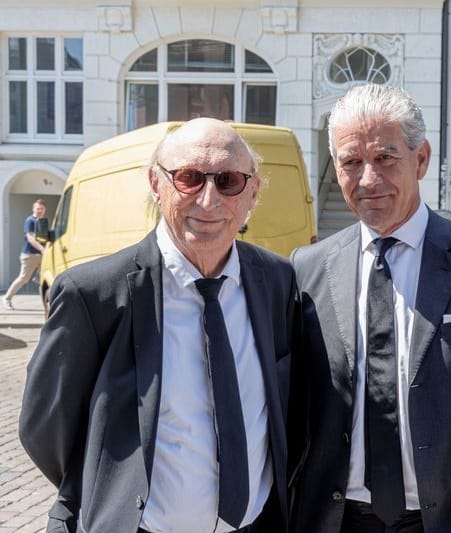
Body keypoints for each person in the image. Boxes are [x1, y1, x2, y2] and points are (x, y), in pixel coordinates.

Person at [289, 83, 451, 533]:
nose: (368, 179)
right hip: (339, 521)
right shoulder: (307, 269)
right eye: (351, 163)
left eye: (386, 158)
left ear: (421, 158)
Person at [19, 118, 296, 533]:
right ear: (155, 183)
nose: (208, 200)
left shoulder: (276, 281)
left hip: (257, 524)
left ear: (253, 192)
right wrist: (109, 485)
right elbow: (45, 428)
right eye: (188, 178)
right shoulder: (92, 294)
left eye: (228, 181)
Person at [3, 199, 46, 310]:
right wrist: (42, 249)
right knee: (23, 278)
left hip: (41, 255)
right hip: (30, 255)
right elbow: (30, 238)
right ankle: (7, 299)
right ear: (33, 209)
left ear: (44, 210)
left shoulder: (42, 221)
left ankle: (48, 305)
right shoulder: (30, 221)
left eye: (41, 209)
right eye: (38, 208)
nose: (39, 210)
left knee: (44, 280)